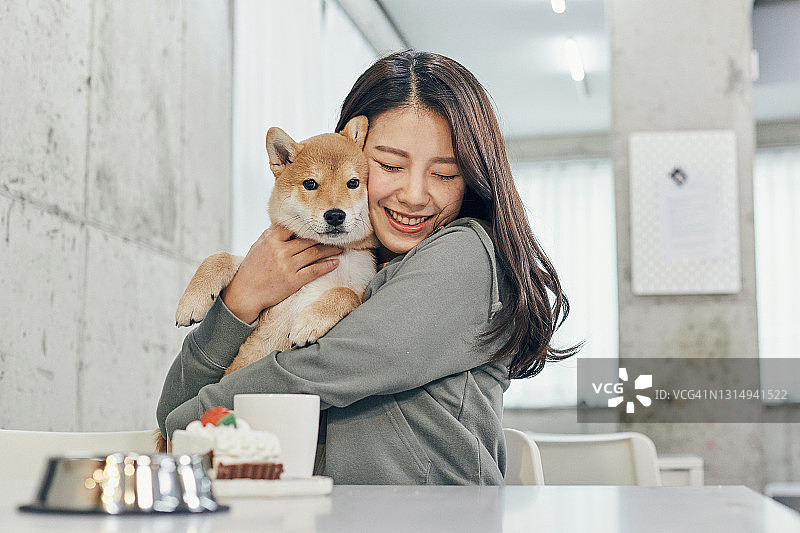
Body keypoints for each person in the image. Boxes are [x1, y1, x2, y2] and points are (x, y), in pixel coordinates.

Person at [157, 50, 577, 485]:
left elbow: (321, 369)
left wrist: (190, 423)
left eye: (446, 174)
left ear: (472, 177)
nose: (414, 195)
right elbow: (170, 406)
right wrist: (240, 300)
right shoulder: (340, 261)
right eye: (391, 166)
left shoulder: (467, 256)